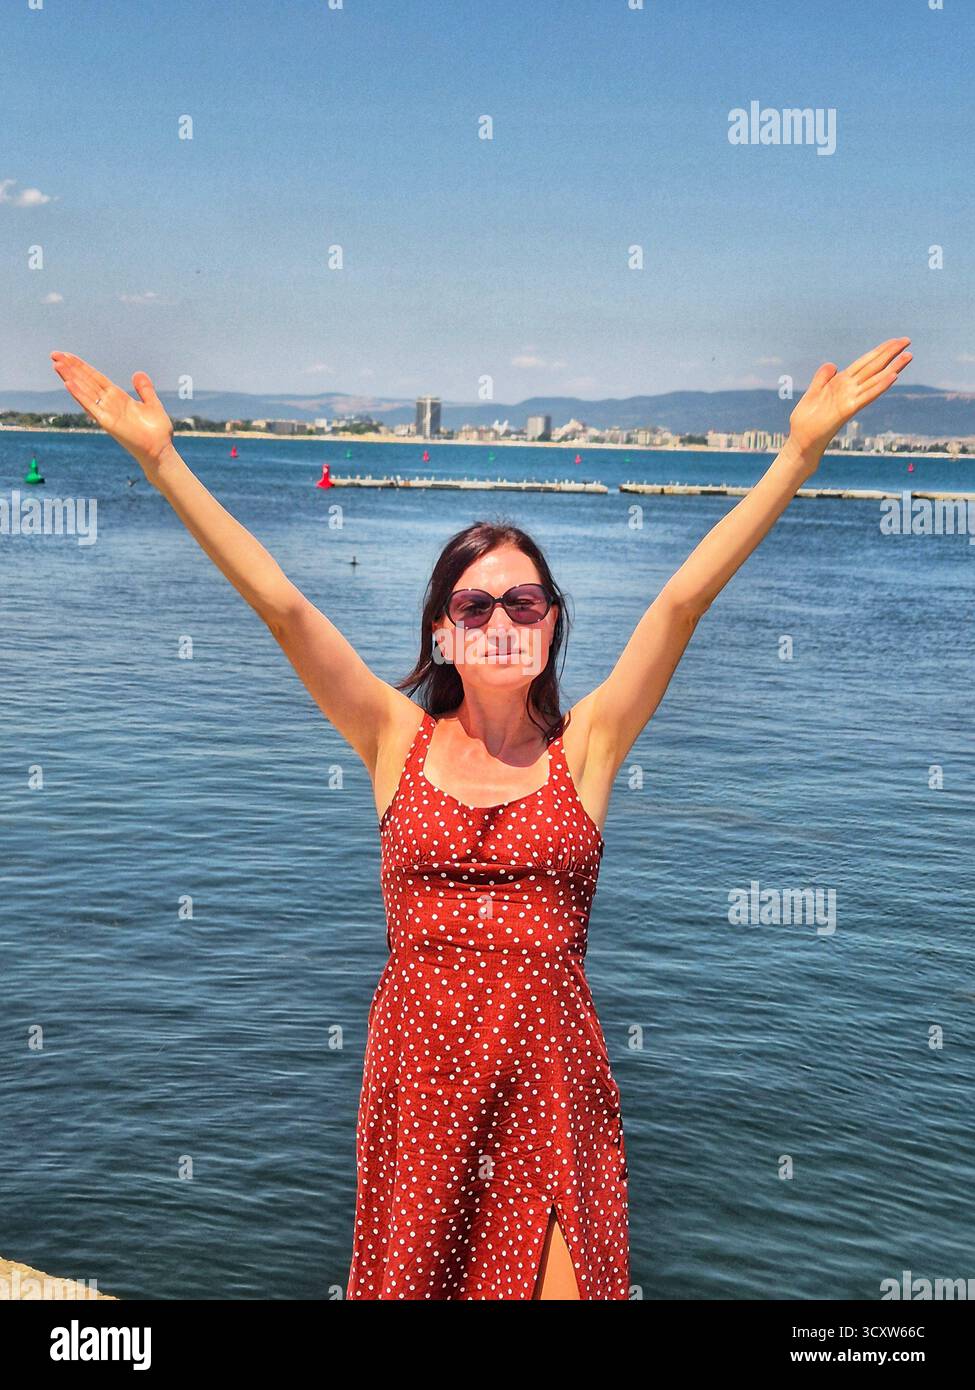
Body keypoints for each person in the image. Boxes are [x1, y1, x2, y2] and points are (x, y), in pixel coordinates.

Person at [48, 337, 912, 1299]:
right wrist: (162, 460)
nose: (501, 616)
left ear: (550, 622)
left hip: (548, 1078)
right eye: (475, 601)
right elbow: (285, 607)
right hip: (421, 1077)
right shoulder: (391, 739)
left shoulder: (586, 748)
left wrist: (797, 455)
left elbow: (680, 601)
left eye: (524, 598)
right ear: (442, 631)